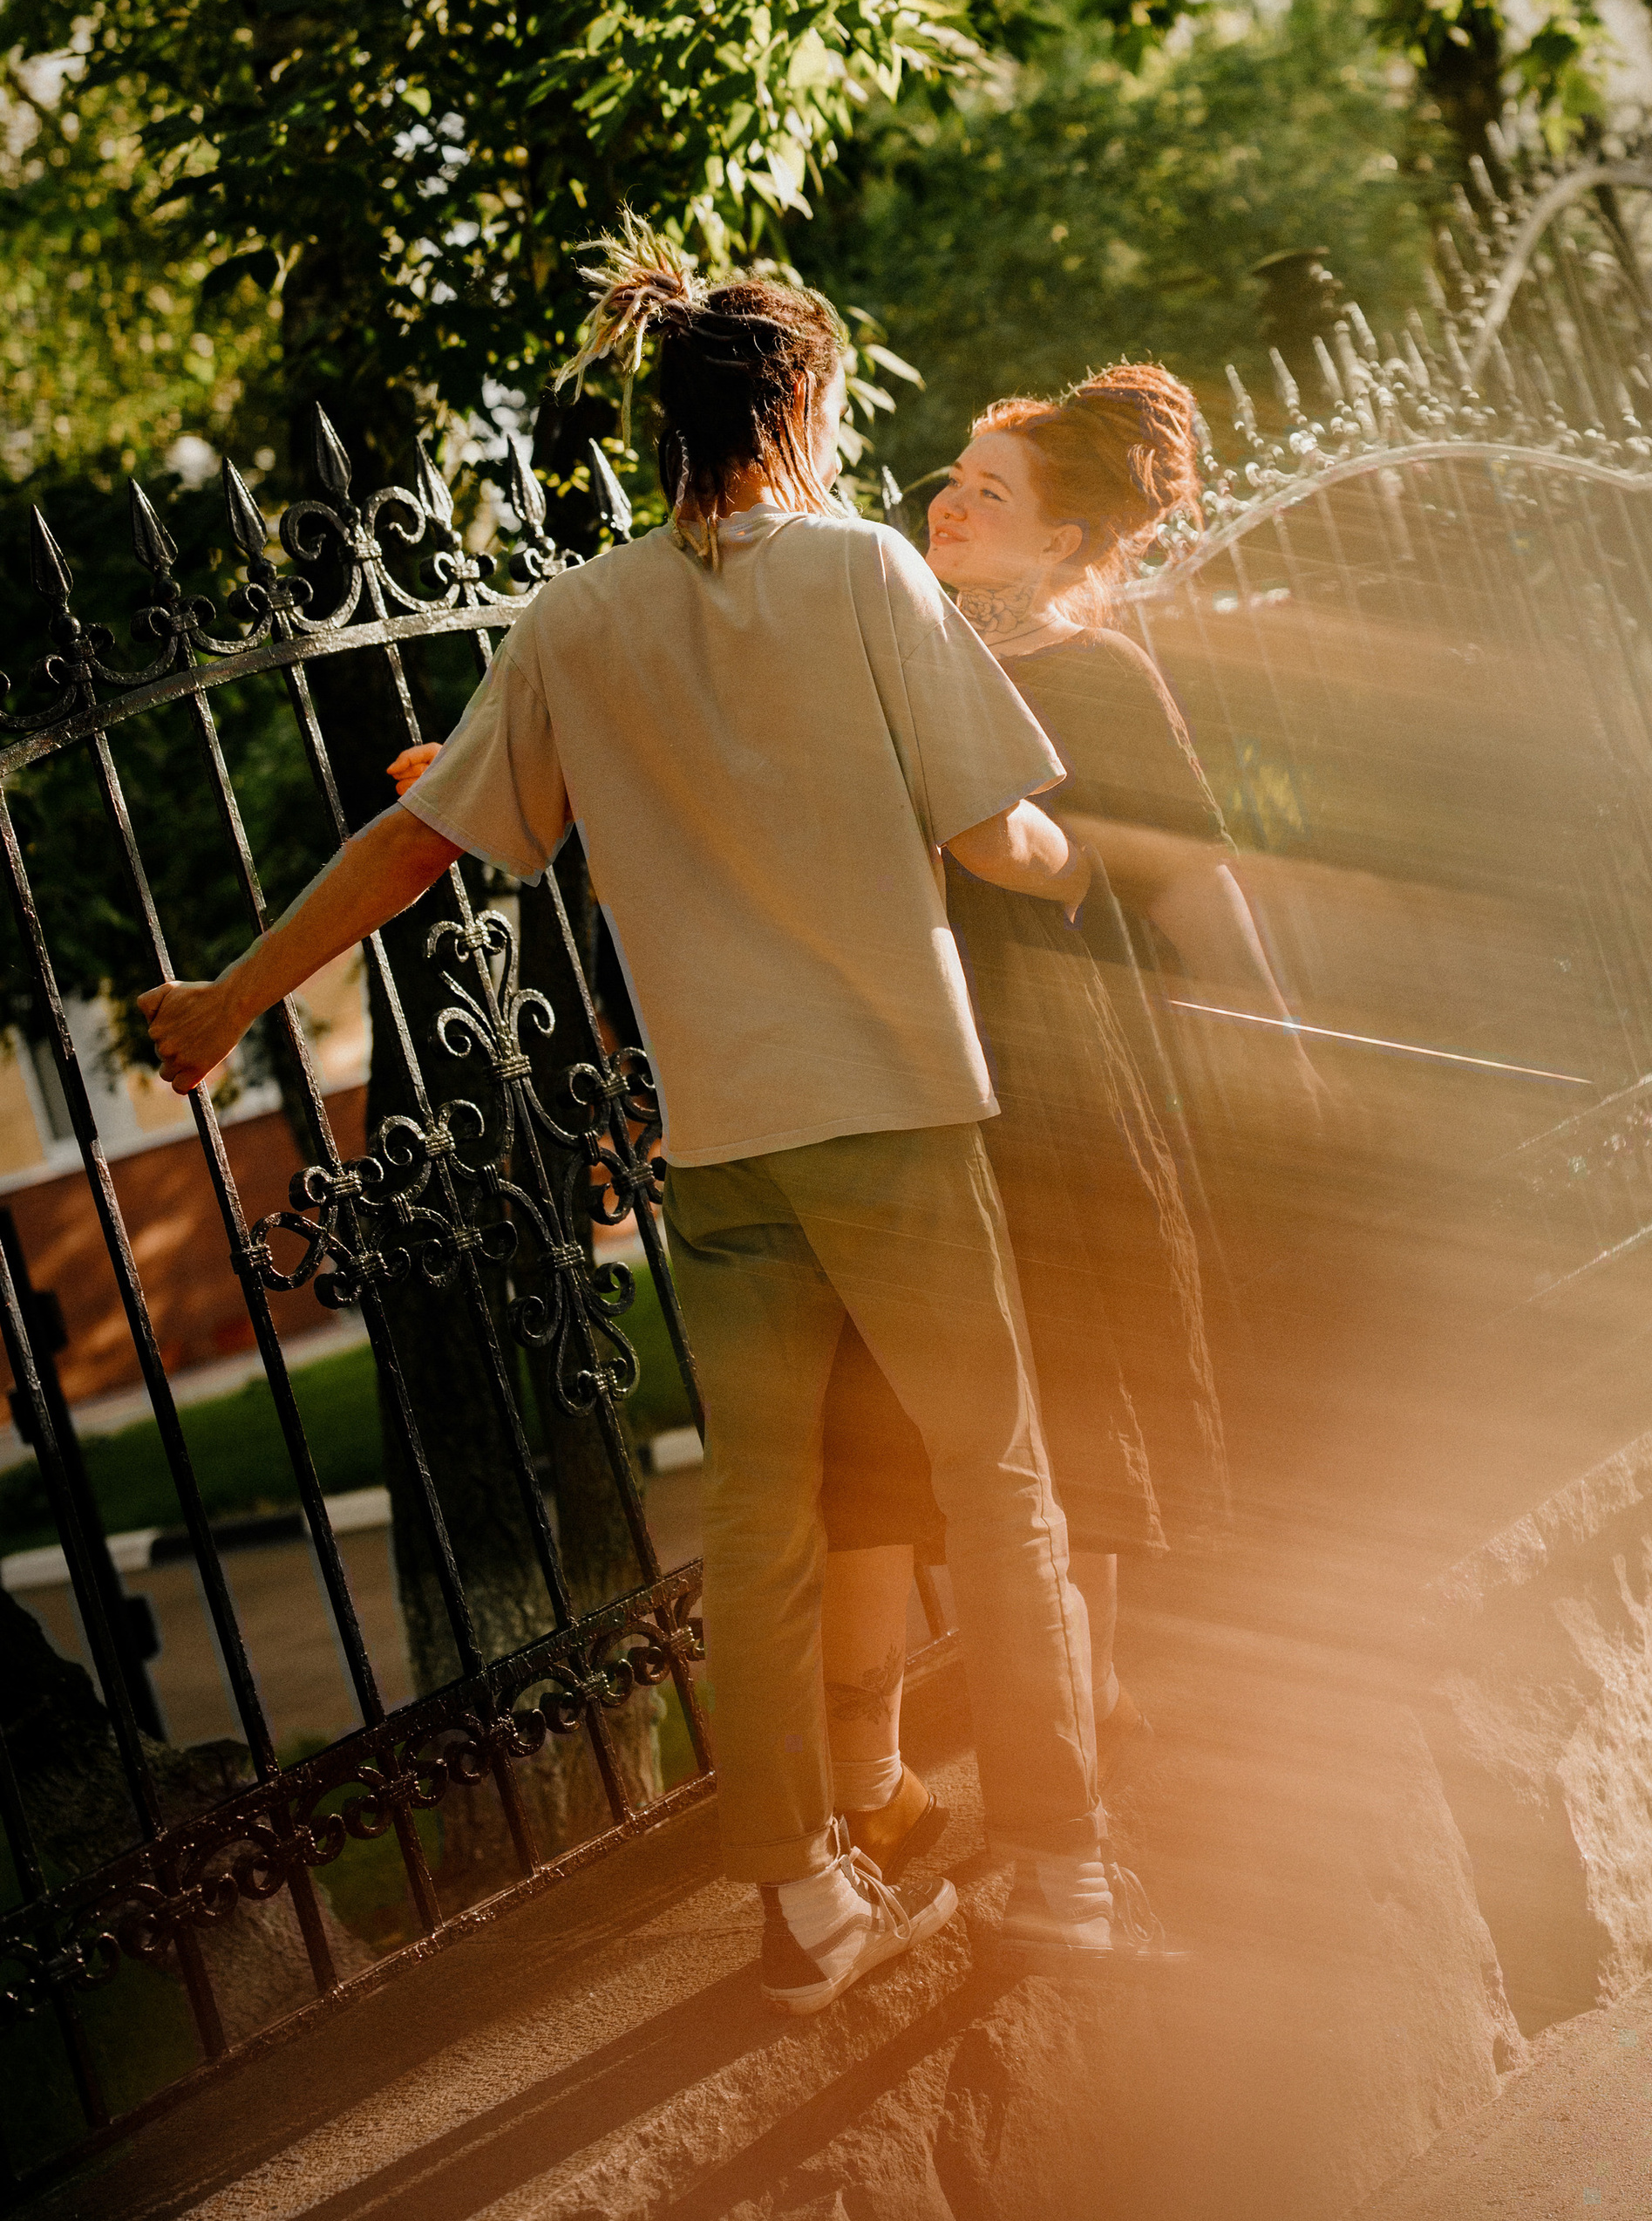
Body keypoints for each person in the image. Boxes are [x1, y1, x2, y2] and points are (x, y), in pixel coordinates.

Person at [139, 232, 1159, 2007]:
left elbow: (415, 844)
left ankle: (802, 1903)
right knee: (998, 1483)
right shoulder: (863, 571)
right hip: (897, 1113)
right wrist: (1093, 873)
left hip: (725, 1149)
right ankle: (1061, 1865)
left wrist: (232, 995)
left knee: (759, 1527)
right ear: (801, 408)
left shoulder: (574, 618)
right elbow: (996, 833)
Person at [818, 364, 1319, 1870]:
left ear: (1062, 542)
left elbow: (1187, 882)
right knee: (914, 1411)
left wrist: (1277, 1033)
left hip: (1063, 1083)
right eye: (951, 478)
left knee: (1079, 1387)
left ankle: (1084, 1705)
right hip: (905, 1074)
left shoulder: (1097, 676)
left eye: (990, 492)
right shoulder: (887, 652)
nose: (948, 504)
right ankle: (927, 1749)